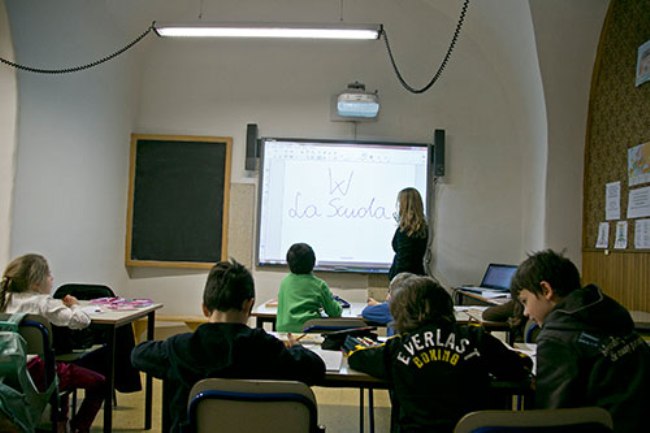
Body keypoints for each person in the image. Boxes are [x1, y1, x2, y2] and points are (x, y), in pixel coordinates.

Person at [131, 259, 325, 433]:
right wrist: (296, 348)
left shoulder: (180, 348)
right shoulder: (267, 348)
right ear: (249, 305)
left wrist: (169, 345)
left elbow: (137, 355)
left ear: (204, 308)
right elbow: (316, 369)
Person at [346, 276, 531, 433]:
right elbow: (520, 367)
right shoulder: (475, 337)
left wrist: (352, 342)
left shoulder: (398, 346)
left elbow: (357, 357)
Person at [510, 249, 650, 433]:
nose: (526, 312)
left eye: (525, 301)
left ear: (546, 290)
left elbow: (552, 418)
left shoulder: (557, 336)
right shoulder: (608, 312)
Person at [0, 254, 106, 433]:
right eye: (49, 274)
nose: (52, 278)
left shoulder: (3, 298)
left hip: (6, 368)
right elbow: (81, 321)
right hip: (37, 370)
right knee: (100, 382)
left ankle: (60, 422)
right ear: (36, 283)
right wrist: (74, 306)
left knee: (58, 367)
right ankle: (79, 427)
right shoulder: (43, 303)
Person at [275, 243, 342, 333]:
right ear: (313, 262)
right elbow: (335, 312)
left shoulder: (284, 282)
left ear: (288, 262)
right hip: (309, 331)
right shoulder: (319, 285)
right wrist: (338, 305)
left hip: (283, 332)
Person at [389, 187, 428, 280]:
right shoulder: (422, 229)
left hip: (405, 282)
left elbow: (403, 262)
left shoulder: (405, 231)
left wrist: (396, 282)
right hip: (418, 277)